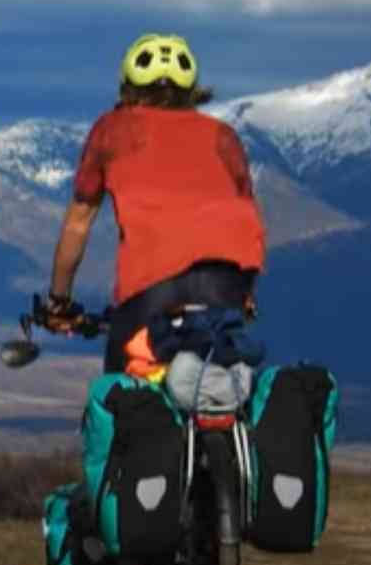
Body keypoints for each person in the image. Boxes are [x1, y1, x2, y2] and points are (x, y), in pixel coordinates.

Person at [42, 33, 266, 373]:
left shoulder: (111, 130)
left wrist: (59, 303)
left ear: (127, 86)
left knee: (122, 400)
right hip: (225, 287)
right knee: (230, 383)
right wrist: (245, 295)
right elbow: (244, 220)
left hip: (150, 291)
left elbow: (78, 223)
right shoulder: (224, 137)